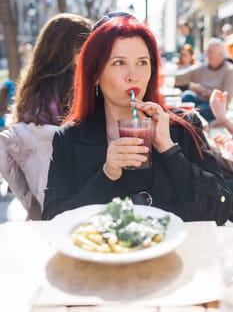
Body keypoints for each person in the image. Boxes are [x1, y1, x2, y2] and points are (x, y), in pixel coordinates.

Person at [42, 13, 232, 225]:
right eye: (119, 62)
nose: (133, 75)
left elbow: (221, 209)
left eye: (142, 62)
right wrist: (106, 175)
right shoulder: (69, 138)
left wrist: (169, 150)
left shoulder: (182, 126)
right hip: (105, 257)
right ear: (95, 73)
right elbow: (53, 219)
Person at [0, 13, 92, 219]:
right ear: (75, 52)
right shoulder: (79, 92)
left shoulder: (30, 92)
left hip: (40, 204)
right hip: (80, 203)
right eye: (86, 50)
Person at [175, 38, 233, 122]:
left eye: (210, 52)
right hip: (199, 100)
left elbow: (224, 100)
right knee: (187, 96)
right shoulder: (203, 67)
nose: (206, 55)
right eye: (206, 52)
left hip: (214, 107)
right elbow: (179, 77)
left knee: (197, 111)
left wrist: (203, 90)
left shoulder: (229, 71)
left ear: (221, 54)